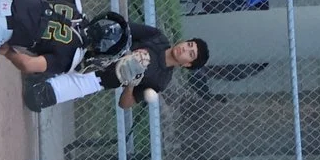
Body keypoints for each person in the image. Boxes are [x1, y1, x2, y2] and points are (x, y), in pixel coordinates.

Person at [25, 21, 210, 109]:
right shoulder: (157, 37)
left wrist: (132, 84)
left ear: (187, 64)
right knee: (33, 55)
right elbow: (122, 28)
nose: (185, 49)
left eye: (190, 54)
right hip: (89, 54)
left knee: (35, 97)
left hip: (95, 80)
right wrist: (127, 53)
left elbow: (125, 104)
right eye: (189, 44)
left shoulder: (160, 80)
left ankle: (45, 75)